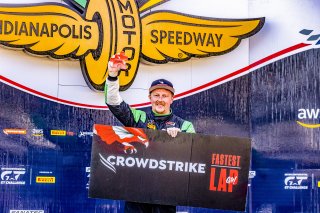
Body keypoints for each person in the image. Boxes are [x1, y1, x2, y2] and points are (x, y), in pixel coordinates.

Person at [104, 52, 195, 213]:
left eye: (165, 96)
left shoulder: (185, 125)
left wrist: (182, 138)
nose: (160, 99)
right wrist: (112, 75)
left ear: (172, 99)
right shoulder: (139, 117)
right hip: (136, 192)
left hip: (166, 194)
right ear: (150, 98)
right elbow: (113, 101)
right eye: (156, 95)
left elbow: (195, 155)